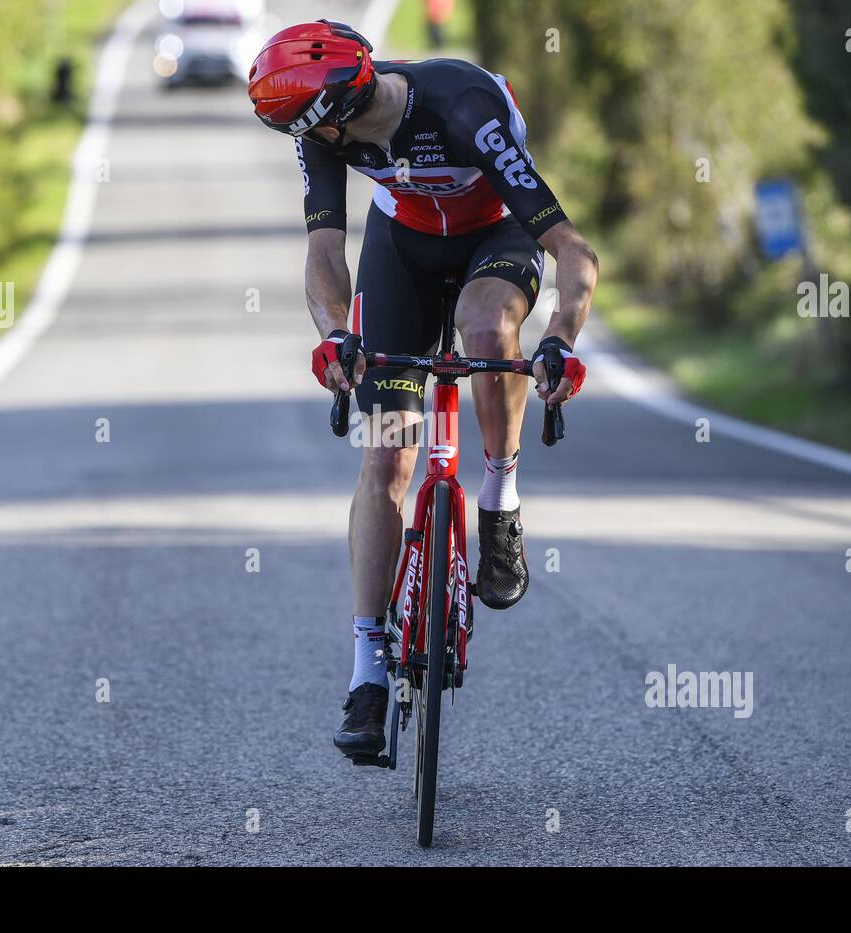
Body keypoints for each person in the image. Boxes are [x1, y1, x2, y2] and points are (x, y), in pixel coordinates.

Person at [247, 20, 596, 757]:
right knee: (386, 461)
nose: (303, 143)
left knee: (482, 325)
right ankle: (367, 670)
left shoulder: (465, 106)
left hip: (494, 237)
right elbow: (323, 249)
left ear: (334, 114)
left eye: (302, 133)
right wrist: (336, 331)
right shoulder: (324, 129)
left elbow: (572, 248)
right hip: (401, 250)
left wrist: (562, 336)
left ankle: (500, 497)